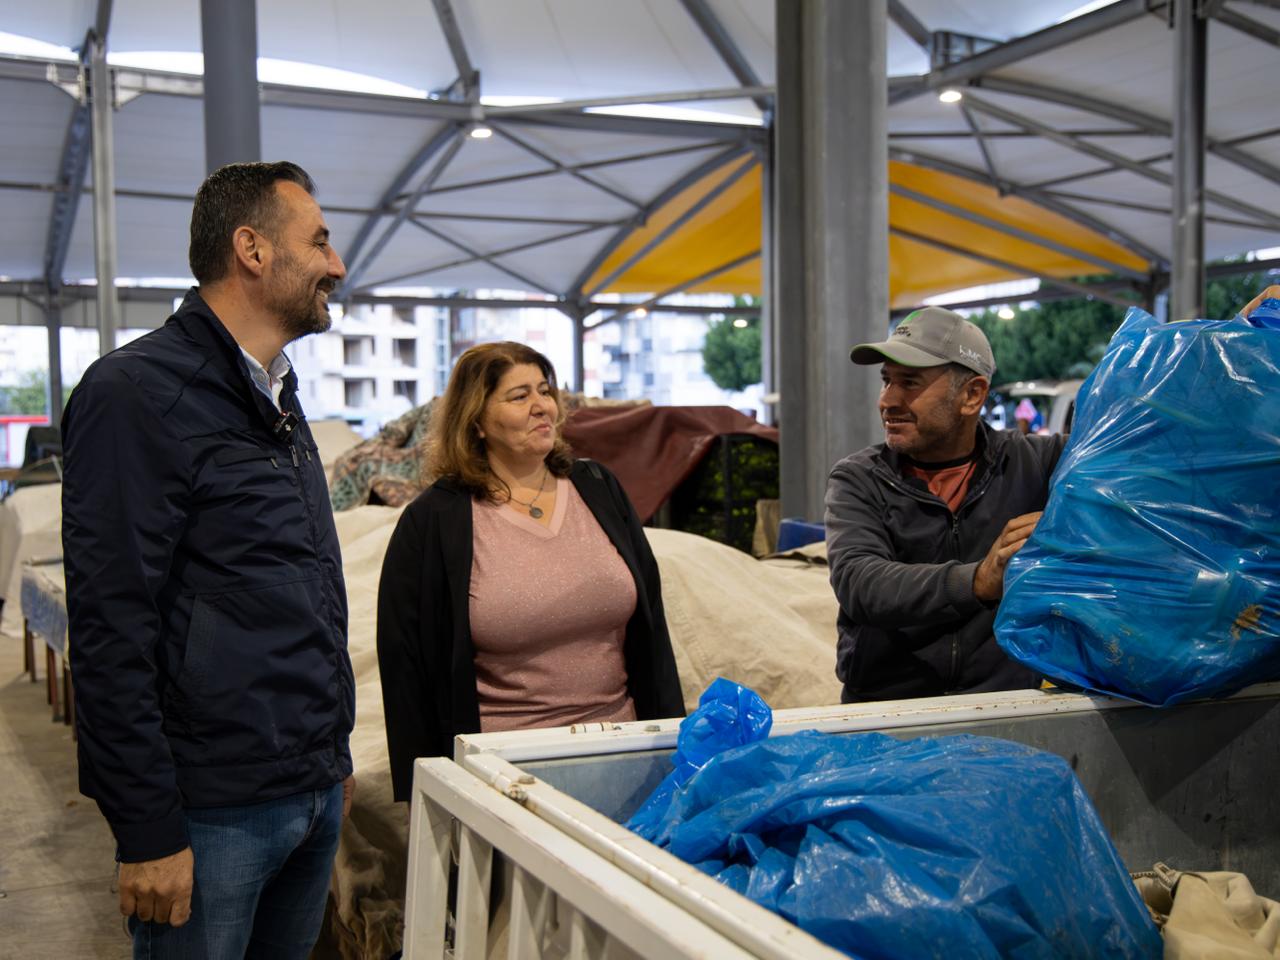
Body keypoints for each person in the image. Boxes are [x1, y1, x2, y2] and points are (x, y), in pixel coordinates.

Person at [62, 161, 355, 959]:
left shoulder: (279, 399)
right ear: (252, 249)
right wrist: (146, 828)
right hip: (212, 812)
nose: (337, 264)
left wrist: (333, 760)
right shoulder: (137, 393)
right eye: (320, 241)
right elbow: (111, 626)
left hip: (308, 789)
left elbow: (307, 590)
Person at [377, 341, 684, 801]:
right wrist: (423, 793)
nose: (543, 406)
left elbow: (653, 632)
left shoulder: (597, 487)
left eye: (545, 390)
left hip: (627, 756)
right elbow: (406, 670)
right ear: (477, 420)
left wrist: (673, 746)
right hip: (506, 774)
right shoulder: (437, 520)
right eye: (519, 396)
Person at [825, 306, 1066, 703]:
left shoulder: (1034, 463)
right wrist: (977, 580)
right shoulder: (860, 478)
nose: (888, 400)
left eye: (909, 383)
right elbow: (862, 584)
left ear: (972, 395)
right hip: (890, 714)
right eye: (886, 381)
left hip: (1005, 708)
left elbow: (1130, 469)